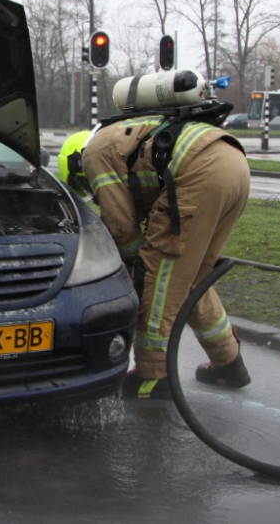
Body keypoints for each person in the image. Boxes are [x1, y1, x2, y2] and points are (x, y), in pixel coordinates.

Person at [58, 114, 251, 401]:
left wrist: (129, 267)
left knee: (154, 279)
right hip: (233, 164)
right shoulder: (126, 137)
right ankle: (229, 363)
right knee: (190, 280)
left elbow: (123, 231)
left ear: (76, 166)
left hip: (198, 171)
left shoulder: (95, 156)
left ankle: (153, 377)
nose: (91, 194)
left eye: (85, 188)